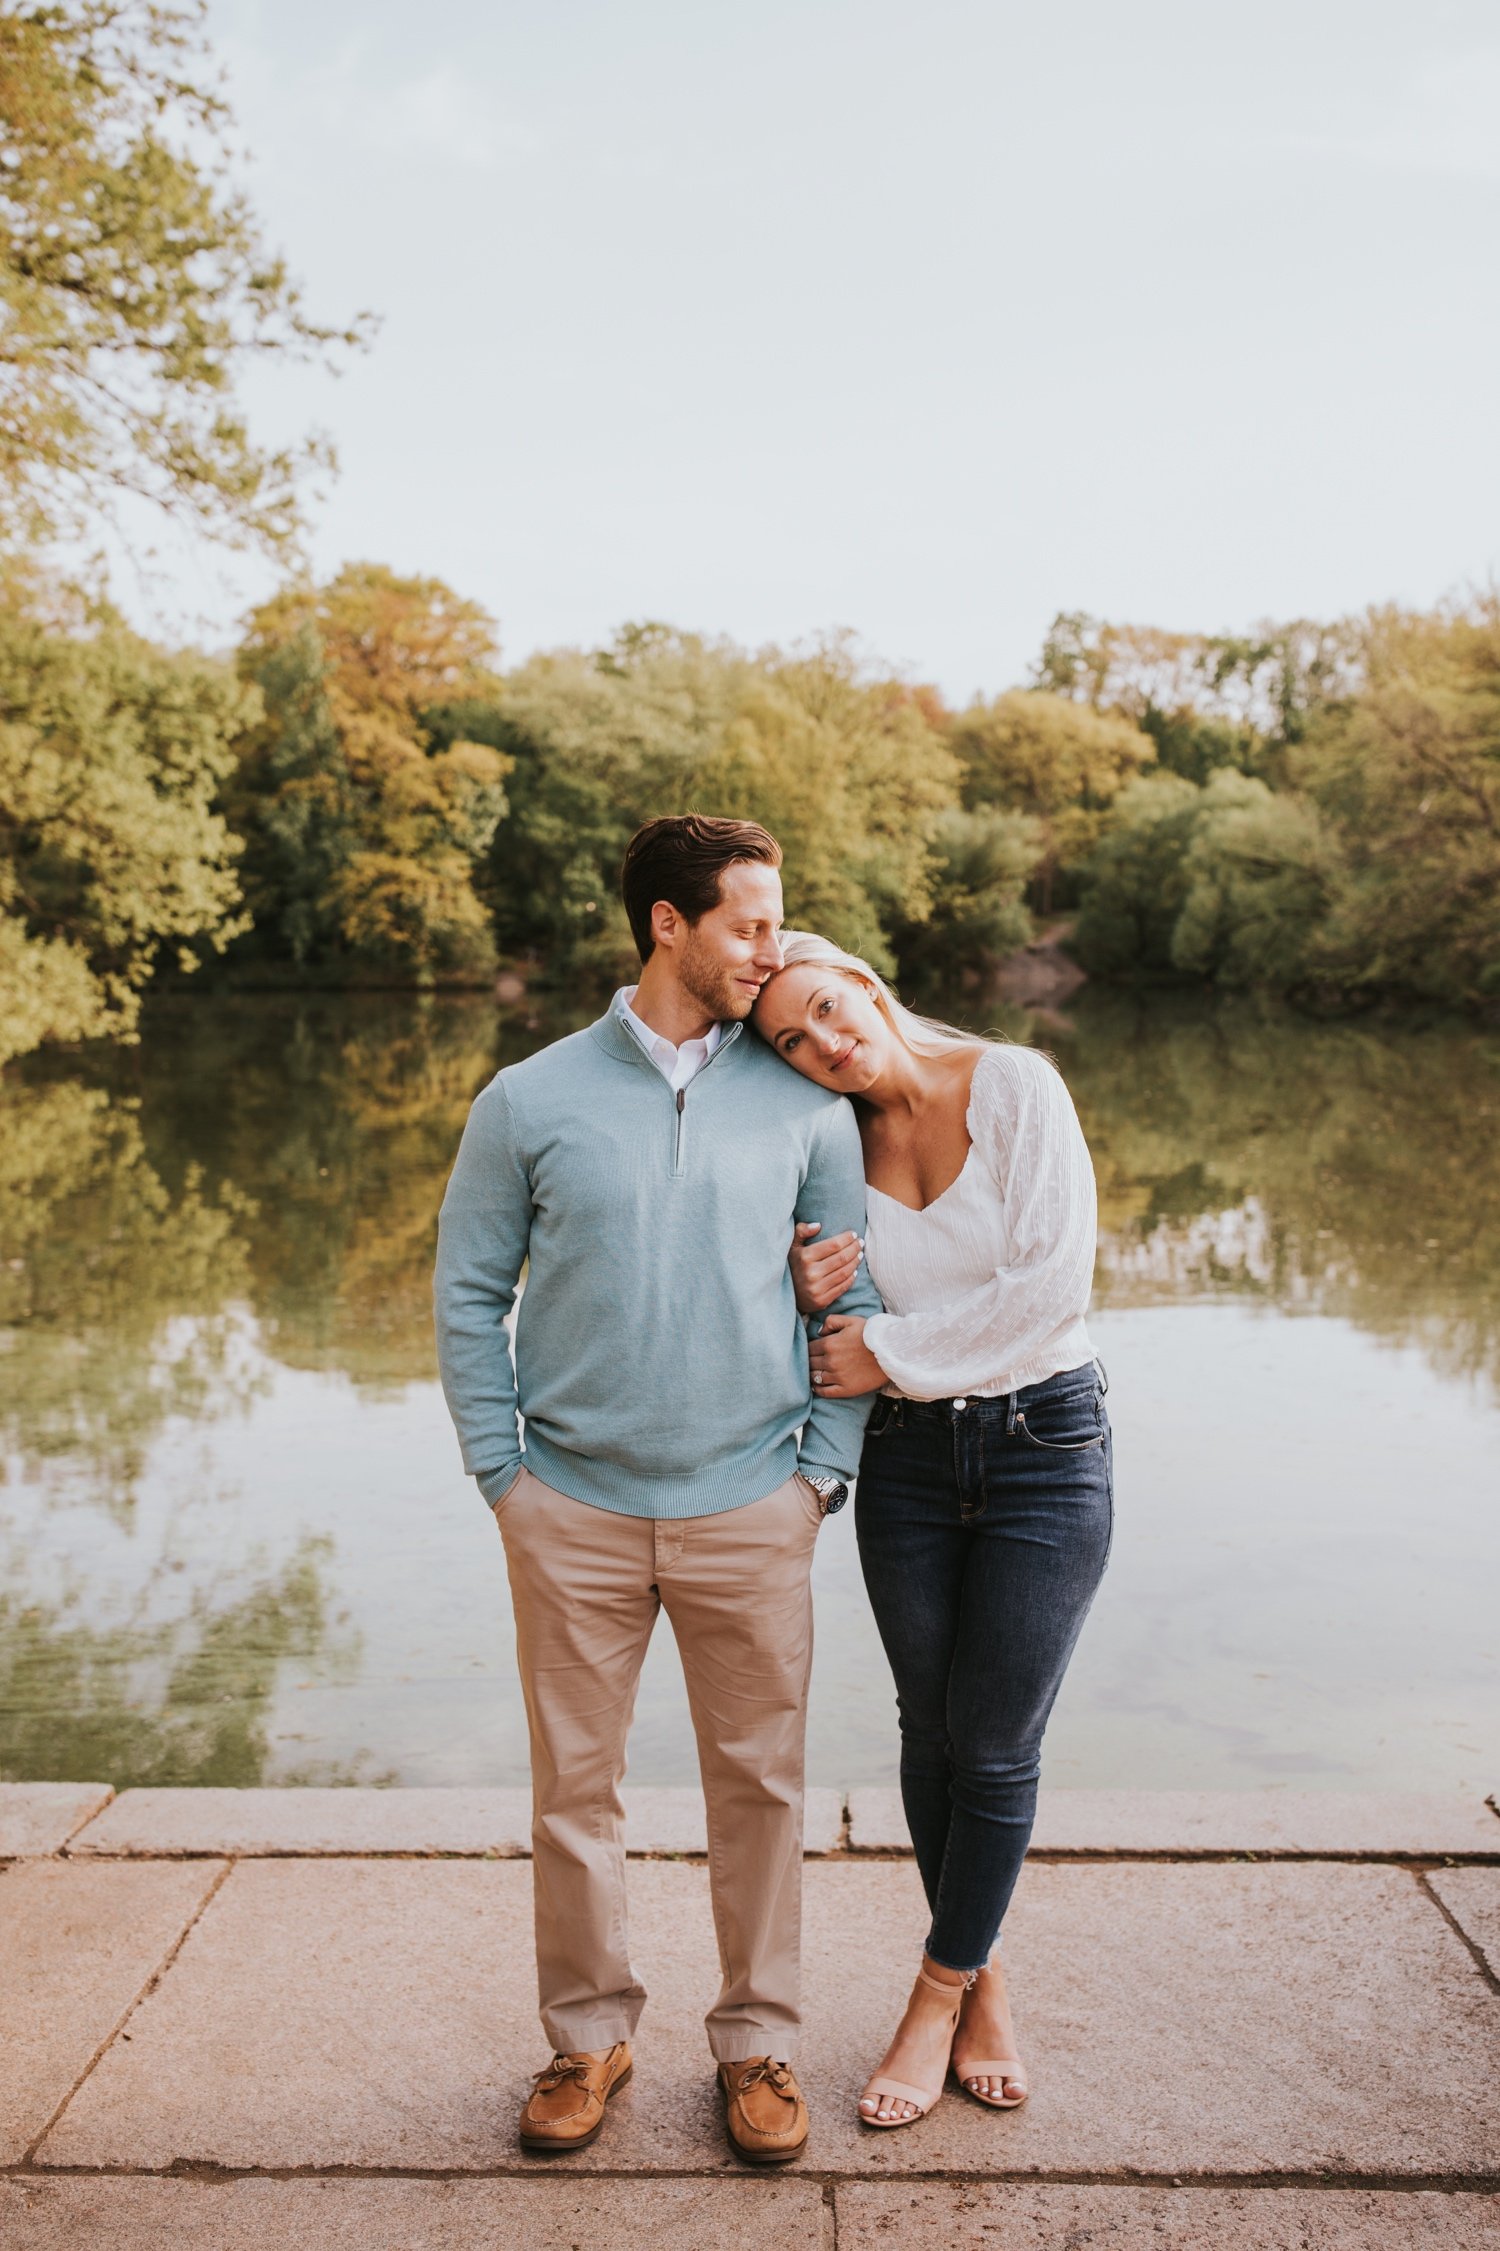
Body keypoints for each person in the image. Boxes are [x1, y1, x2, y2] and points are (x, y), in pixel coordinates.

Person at [433, 819, 879, 2166]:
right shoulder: (529, 1098)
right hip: (568, 1504)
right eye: (750, 924)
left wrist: (820, 1474)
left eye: (779, 925)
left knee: (763, 1784)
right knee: (575, 1788)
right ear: (668, 925)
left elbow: (847, 1300)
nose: (773, 949)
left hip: (756, 1499)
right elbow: (466, 1295)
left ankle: (757, 2043)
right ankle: (588, 2032)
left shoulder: (809, 1104)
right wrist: (503, 1474)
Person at [752, 931, 1112, 2129]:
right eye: (791, 1041)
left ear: (863, 979)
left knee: (997, 1744)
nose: (824, 1044)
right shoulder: (827, 1146)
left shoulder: (1013, 1084)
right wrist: (803, 1293)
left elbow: (1050, 1288)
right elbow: (815, 1308)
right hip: (906, 1463)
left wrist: (888, 1350)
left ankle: (933, 1996)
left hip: (1044, 1450)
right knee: (931, 1729)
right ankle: (988, 1979)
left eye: (825, 1009)